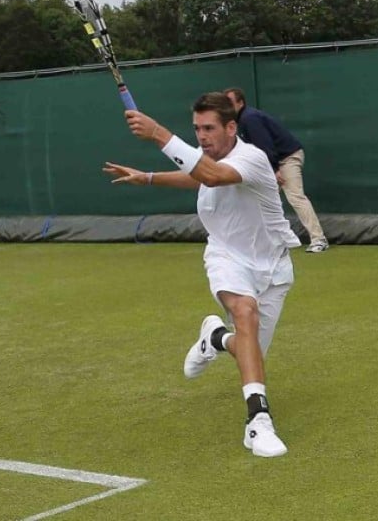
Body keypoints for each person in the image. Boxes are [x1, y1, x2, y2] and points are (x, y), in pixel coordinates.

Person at [102, 92, 301, 456]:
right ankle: (258, 423)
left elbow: (208, 176)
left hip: (273, 267)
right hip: (226, 256)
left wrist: (159, 134)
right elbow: (196, 176)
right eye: (196, 129)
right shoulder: (208, 162)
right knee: (245, 312)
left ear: (231, 127)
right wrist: (146, 177)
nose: (202, 136)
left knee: (248, 349)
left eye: (209, 128)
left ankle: (215, 337)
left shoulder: (252, 158)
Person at [223, 87, 329, 253]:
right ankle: (266, 241)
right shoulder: (238, 122)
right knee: (259, 200)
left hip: (287, 157)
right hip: (275, 161)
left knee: (295, 196)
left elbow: (264, 145)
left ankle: (319, 240)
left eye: (229, 102)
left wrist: (274, 169)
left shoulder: (249, 118)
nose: (226, 107)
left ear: (240, 103)